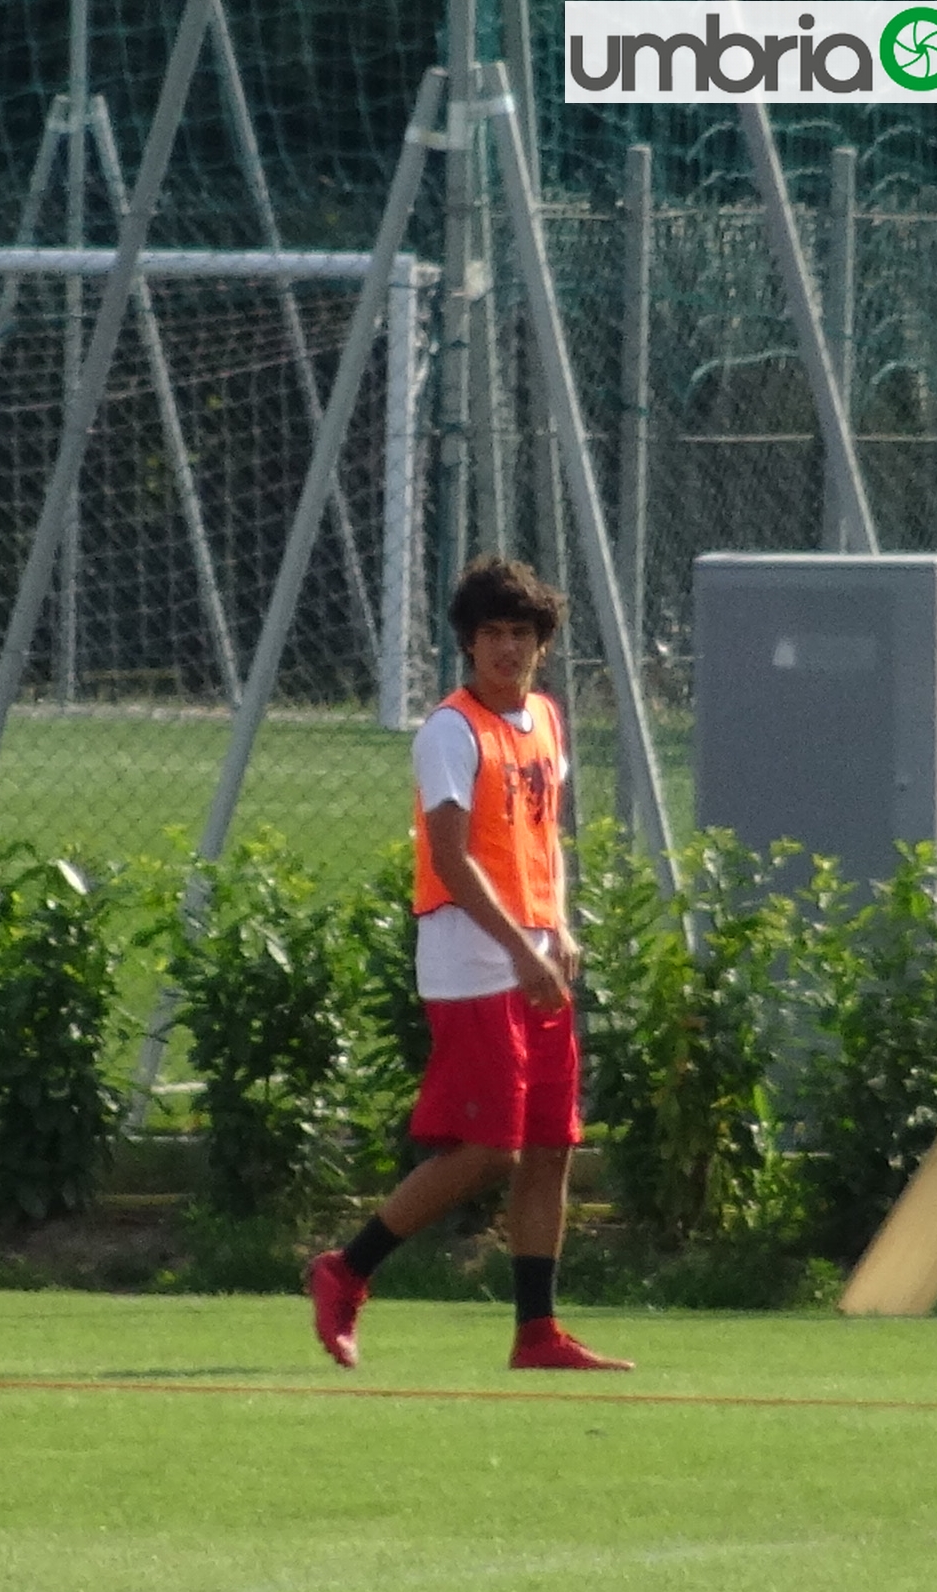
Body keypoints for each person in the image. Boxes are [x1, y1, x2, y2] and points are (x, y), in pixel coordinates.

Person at [306, 555, 631, 1372]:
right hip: (474, 961)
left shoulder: (547, 721)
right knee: (491, 1149)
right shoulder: (450, 730)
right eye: (491, 633)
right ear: (468, 643)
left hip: (535, 953)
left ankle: (536, 1332)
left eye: (520, 633)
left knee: (552, 1144)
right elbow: (452, 858)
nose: (506, 648)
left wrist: (558, 928)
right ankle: (346, 1271)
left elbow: (542, 836)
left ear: (543, 645)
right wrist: (523, 950)